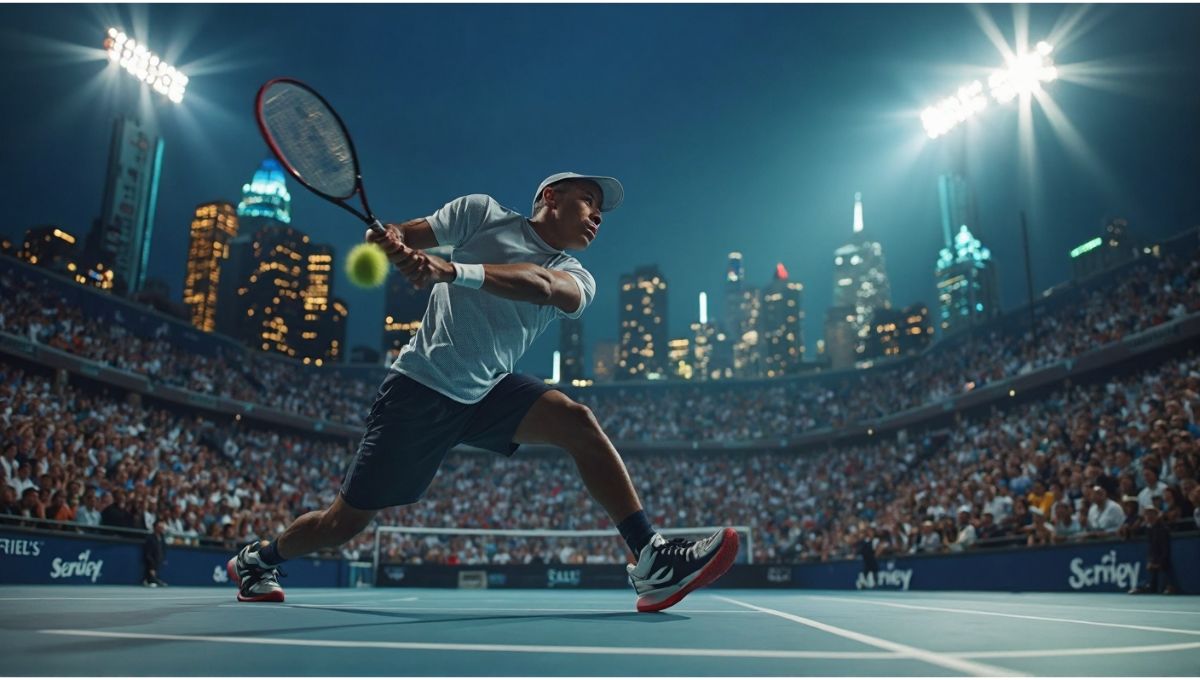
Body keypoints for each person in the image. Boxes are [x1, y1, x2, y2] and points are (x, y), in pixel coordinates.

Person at [228, 173, 738, 611]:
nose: (598, 217)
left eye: (601, 210)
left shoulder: (576, 275)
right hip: (421, 388)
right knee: (341, 524)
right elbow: (408, 233)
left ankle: (651, 557)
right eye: (589, 201)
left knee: (576, 420)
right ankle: (258, 559)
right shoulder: (480, 214)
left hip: (487, 391)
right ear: (552, 196)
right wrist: (392, 240)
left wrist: (451, 270)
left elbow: (540, 285)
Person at [143, 521, 168, 587]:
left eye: (163, 527)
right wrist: (151, 563)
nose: (162, 529)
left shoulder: (162, 537)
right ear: (155, 528)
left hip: (158, 559)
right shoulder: (150, 538)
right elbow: (148, 552)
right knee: (151, 570)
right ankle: (149, 580)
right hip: (151, 560)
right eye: (160, 527)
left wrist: (164, 558)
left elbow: (163, 548)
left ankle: (156, 580)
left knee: (156, 572)